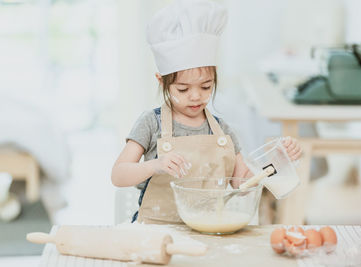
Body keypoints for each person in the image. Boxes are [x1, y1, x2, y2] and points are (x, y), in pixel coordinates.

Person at [111, 0, 302, 224]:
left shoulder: (223, 131)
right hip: (156, 229)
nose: (195, 96)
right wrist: (156, 165)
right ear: (162, 82)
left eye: (205, 87)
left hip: (209, 228)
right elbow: (118, 175)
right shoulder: (151, 123)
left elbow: (242, 184)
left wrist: (277, 162)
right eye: (183, 89)